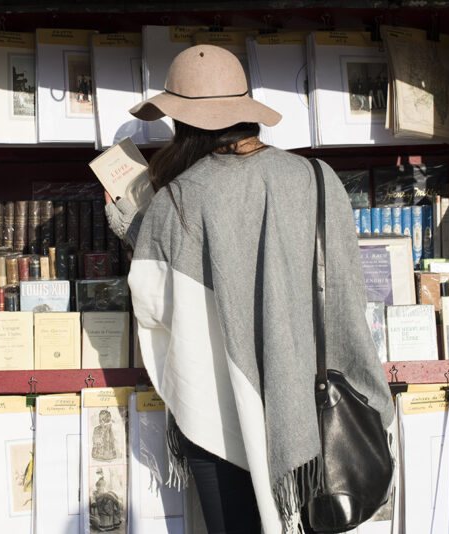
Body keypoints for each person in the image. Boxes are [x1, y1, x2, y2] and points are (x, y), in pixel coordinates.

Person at [105, 45, 393, 534]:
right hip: (316, 401)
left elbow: (158, 305)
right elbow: (345, 292)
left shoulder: (179, 197)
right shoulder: (319, 178)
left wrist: (131, 217)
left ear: (184, 122)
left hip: (223, 412)